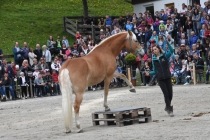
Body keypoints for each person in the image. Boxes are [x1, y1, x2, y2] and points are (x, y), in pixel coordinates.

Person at [145, 41, 174, 117]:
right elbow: (154, 71)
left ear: (158, 49)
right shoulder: (154, 60)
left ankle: (167, 106)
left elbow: (172, 50)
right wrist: (149, 73)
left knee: (170, 94)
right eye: (153, 50)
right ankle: (170, 110)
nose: (155, 50)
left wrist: (167, 43)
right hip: (160, 79)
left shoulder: (165, 56)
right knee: (166, 94)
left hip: (167, 77)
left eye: (155, 49)